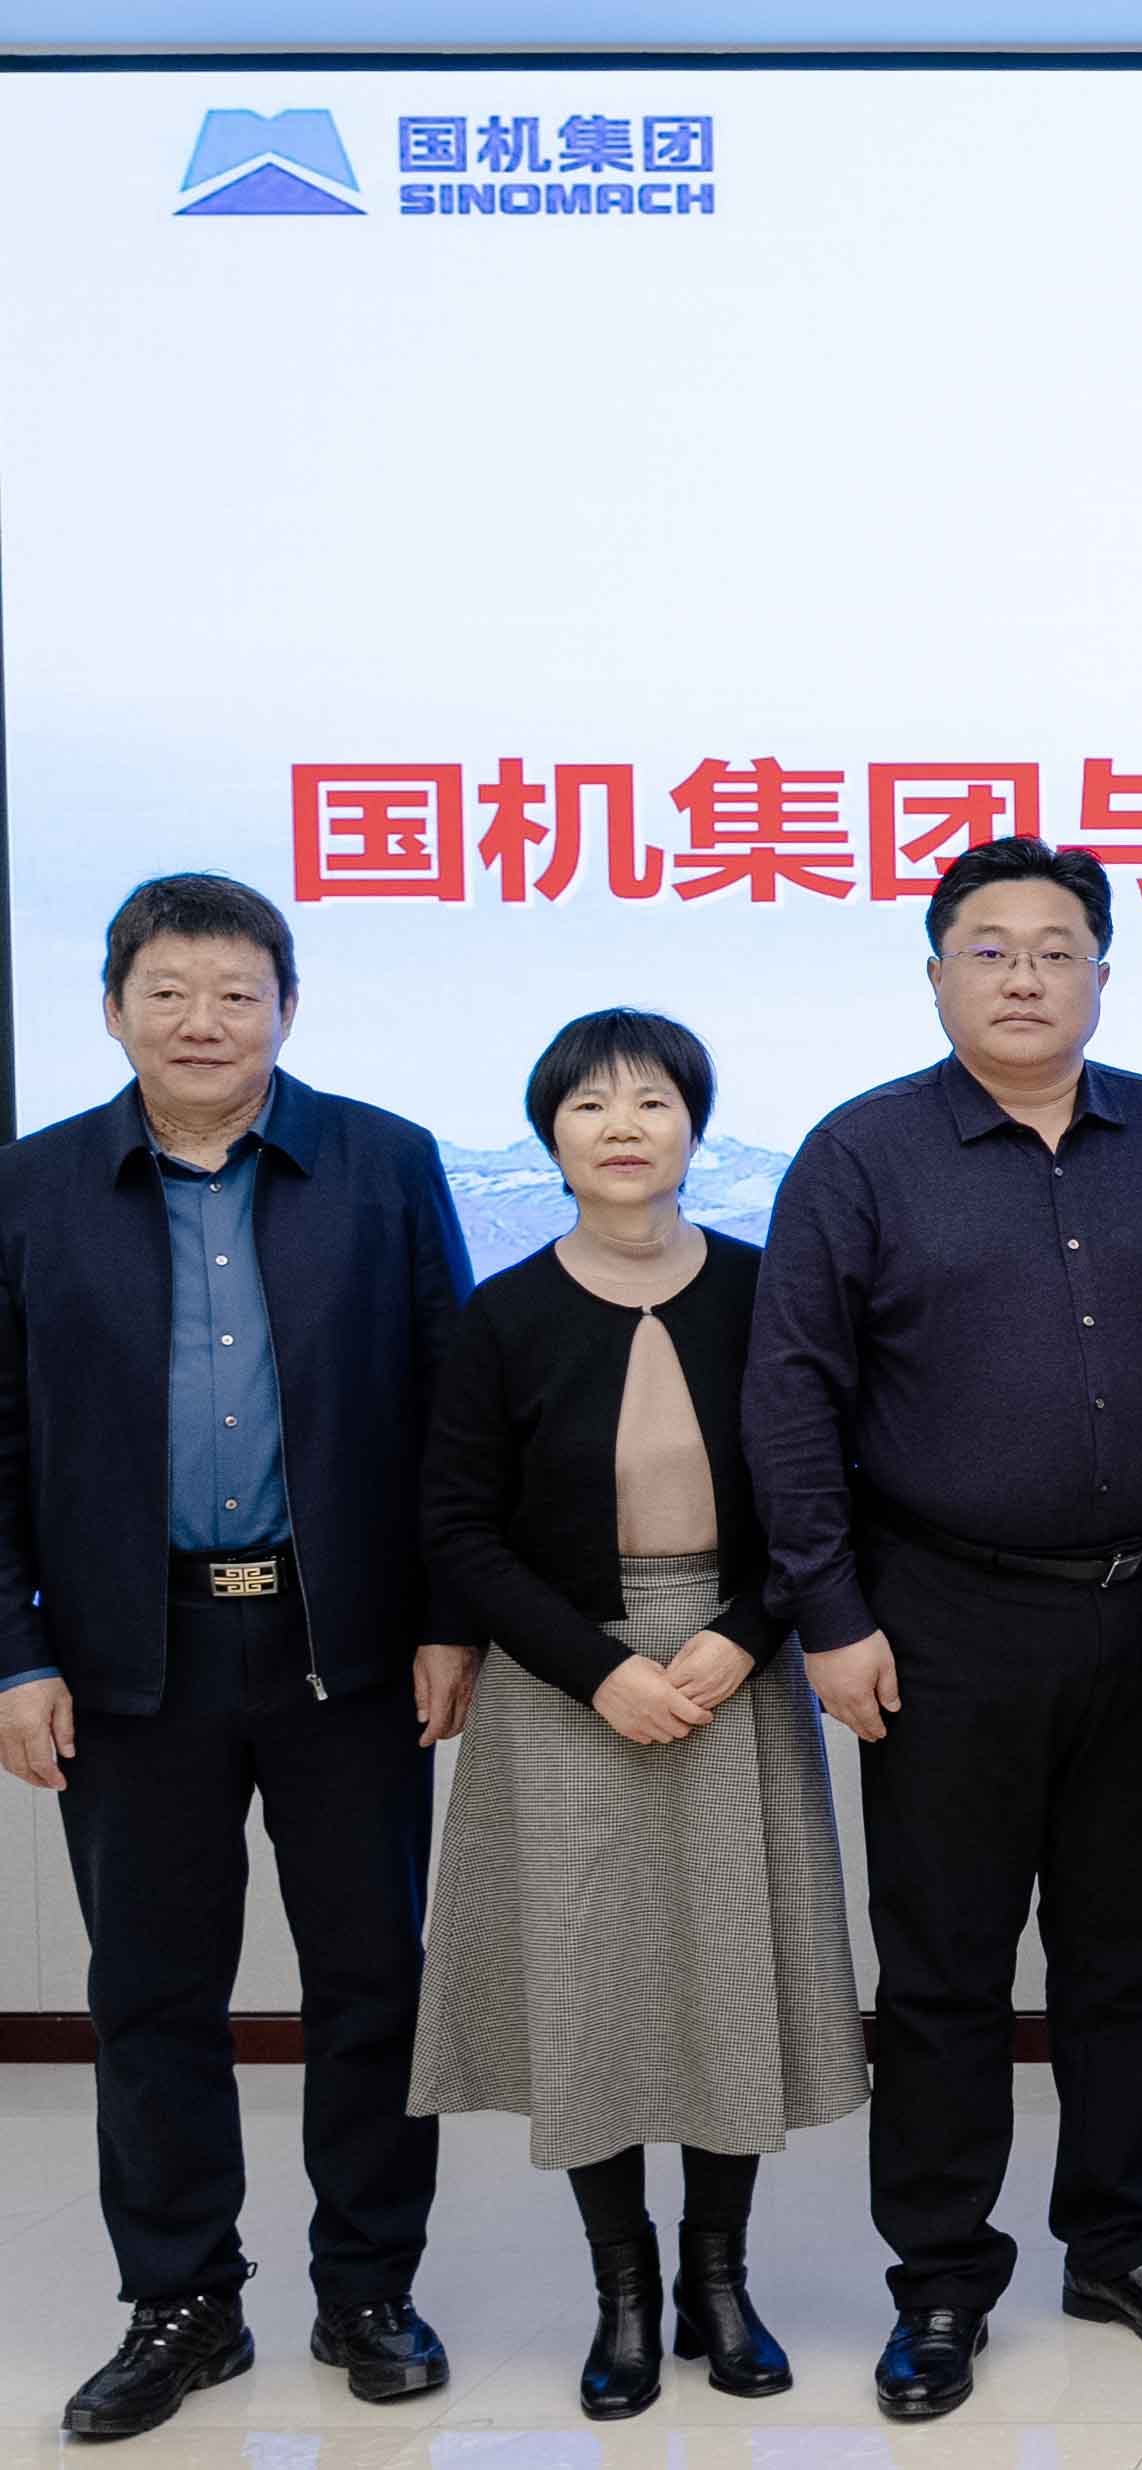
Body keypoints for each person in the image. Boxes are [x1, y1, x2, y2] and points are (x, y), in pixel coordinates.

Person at [746, 836, 1142, 2421]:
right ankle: (943, 2278)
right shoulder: (862, 1152)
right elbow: (791, 1396)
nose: (1025, 976)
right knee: (945, 1966)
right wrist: (830, 1612)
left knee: (1132, 1954)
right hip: (937, 1615)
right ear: (937, 973)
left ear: (1102, 972)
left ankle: (1121, 2242)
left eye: (1056, 949)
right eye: (990, 948)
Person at [0, 874, 471, 2439]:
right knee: (151, 1990)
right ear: (112, 1007)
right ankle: (183, 2298)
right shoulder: (33, 1187)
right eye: (168, 991)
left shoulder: (384, 1164)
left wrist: (448, 1620)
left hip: (346, 1648)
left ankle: (368, 2283)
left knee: (371, 1978)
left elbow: (449, 1417)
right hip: (131, 1653)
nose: (203, 1021)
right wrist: (14, 1655)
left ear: (287, 1005)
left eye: (236, 992)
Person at [409, 1009, 865, 2420]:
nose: (623, 1125)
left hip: (735, 1668)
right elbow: (458, 1526)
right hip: (565, 1684)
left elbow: (822, 1485)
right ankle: (623, 2292)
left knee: (729, 1979)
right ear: (550, 1134)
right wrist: (593, 1667)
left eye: (654, 1100)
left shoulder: (763, 1290)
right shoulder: (501, 1314)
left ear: (694, 1128)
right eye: (590, 1103)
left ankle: (720, 2283)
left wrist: (746, 1635)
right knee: (590, 1986)